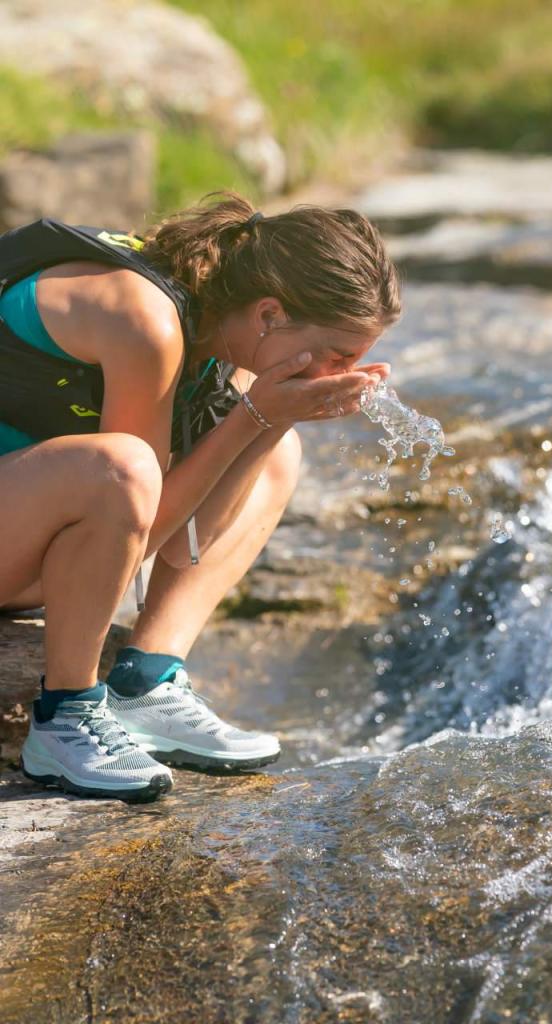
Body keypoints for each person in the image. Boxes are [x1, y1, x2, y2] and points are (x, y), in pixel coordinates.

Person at [0, 190, 400, 802]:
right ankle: (66, 716)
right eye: (339, 355)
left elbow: (193, 539)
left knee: (274, 456)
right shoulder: (146, 320)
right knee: (125, 469)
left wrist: (271, 424)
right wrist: (254, 417)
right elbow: (138, 524)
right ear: (270, 314)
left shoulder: (225, 326)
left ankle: (145, 681)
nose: (337, 375)